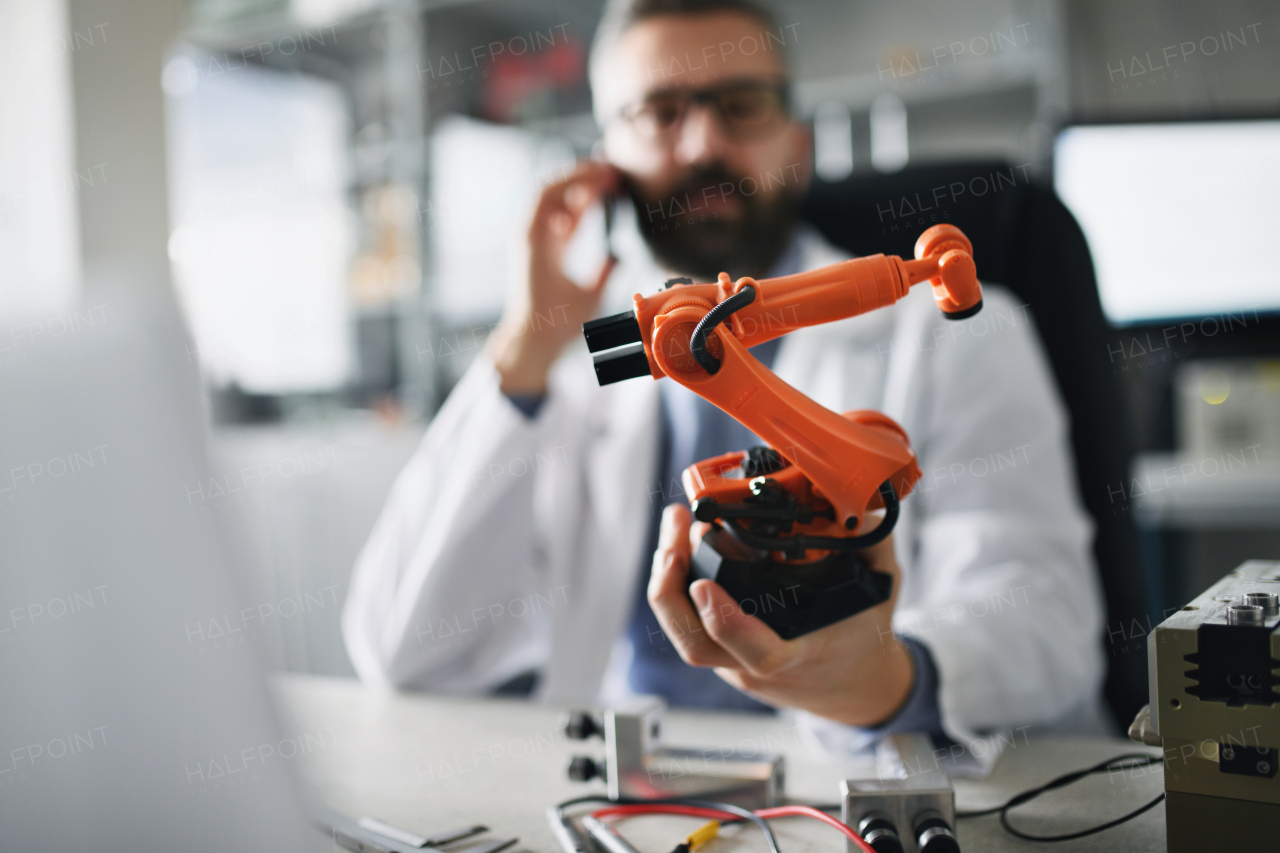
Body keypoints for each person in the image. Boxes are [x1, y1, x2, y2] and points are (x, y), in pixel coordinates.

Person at [343, 0, 1108, 767]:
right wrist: (523, 349)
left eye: (742, 105)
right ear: (604, 163)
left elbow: (1052, 623)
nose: (704, 141)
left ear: (797, 146)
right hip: (629, 787)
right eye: (659, 111)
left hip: (856, 774)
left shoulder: (956, 334)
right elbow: (400, 652)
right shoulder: (571, 370)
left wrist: (879, 682)